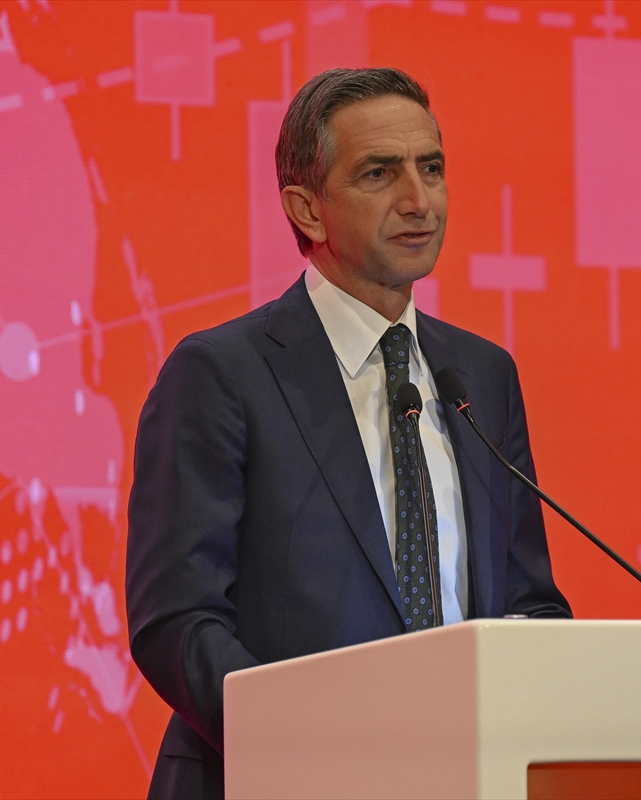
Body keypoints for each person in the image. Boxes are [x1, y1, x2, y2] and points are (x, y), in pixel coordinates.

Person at [125, 67, 571, 800]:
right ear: (307, 209)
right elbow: (178, 620)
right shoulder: (222, 373)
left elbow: (529, 602)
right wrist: (308, 750)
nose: (419, 200)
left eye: (432, 168)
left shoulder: (482, 376)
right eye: (379, 173)